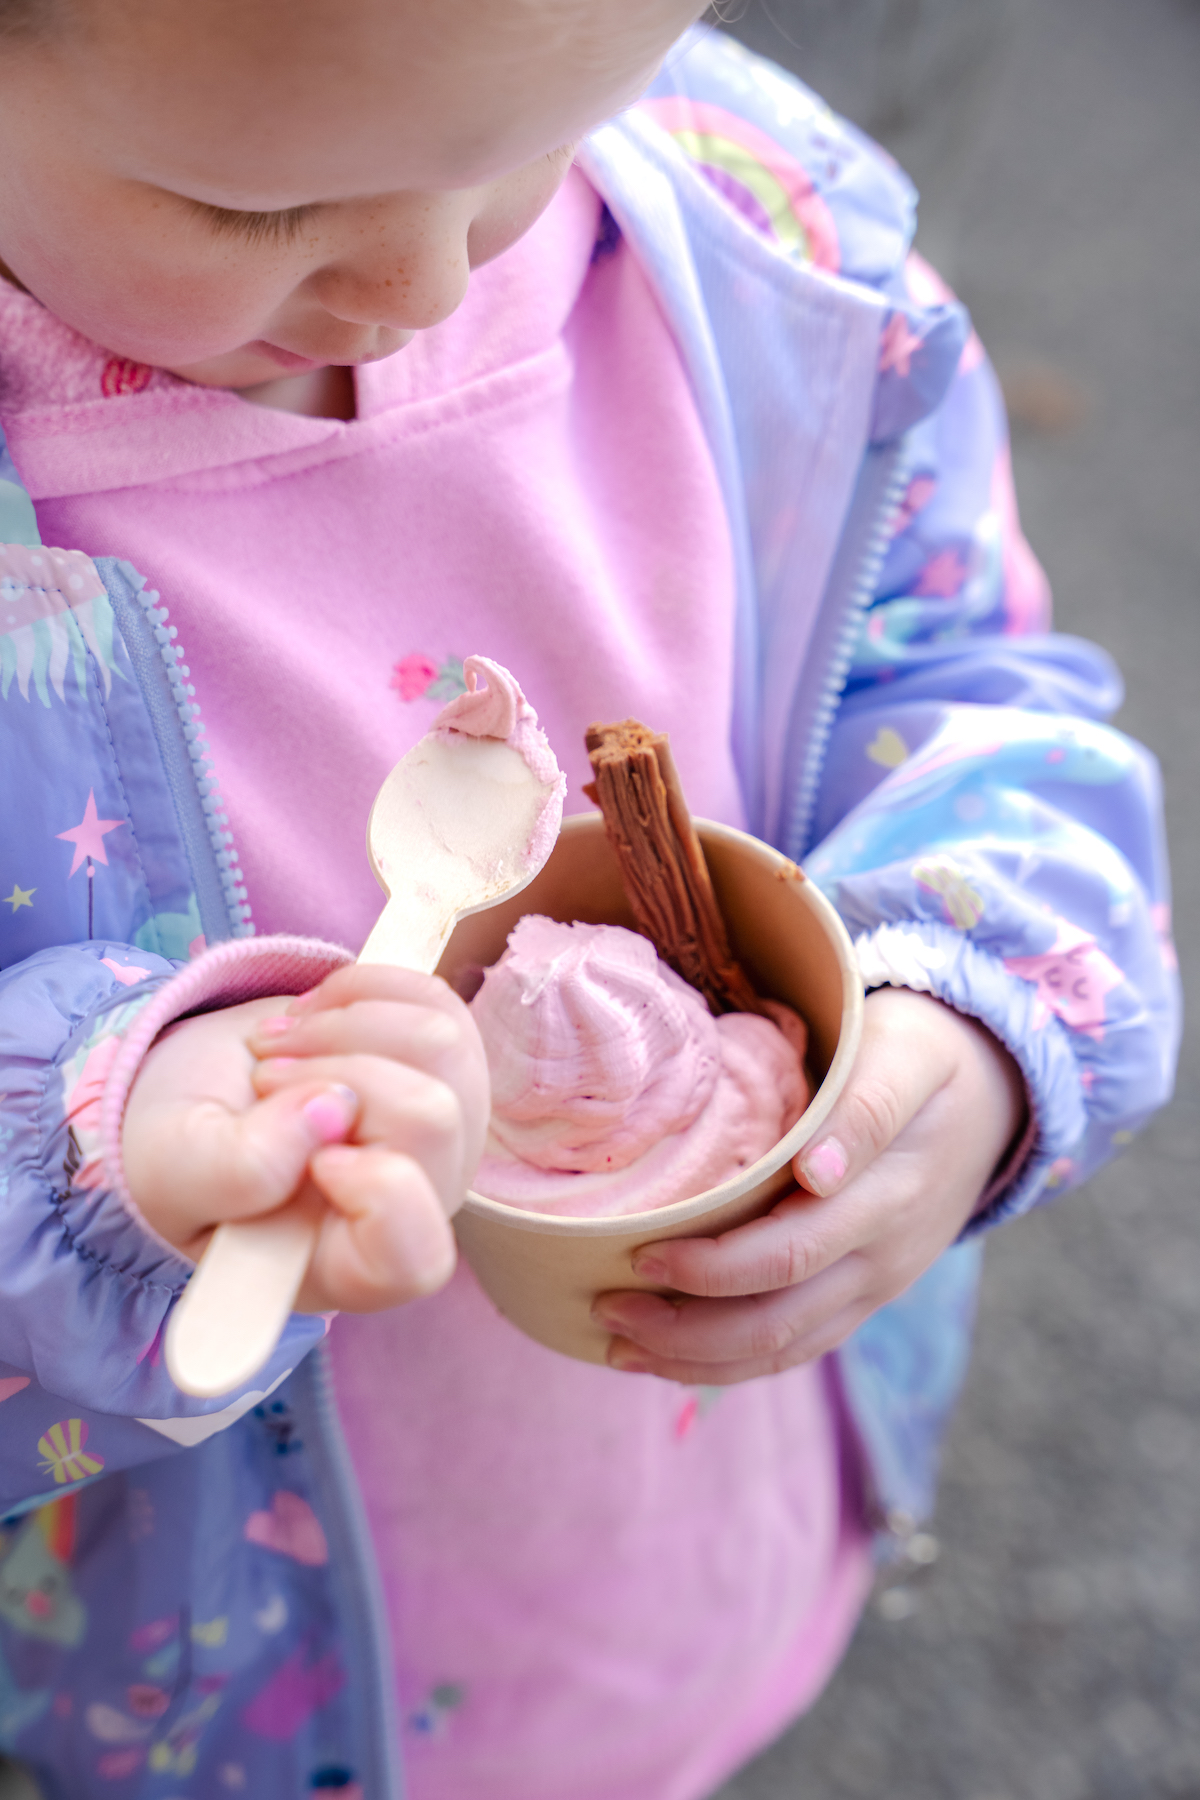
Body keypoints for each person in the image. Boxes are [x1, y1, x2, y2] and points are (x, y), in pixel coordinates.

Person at [0, 1, 1178, 1796]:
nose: (412, 280)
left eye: (508, 162)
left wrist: (984, 1011)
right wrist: (103, 1170)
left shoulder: (762, 244)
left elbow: (974, 688)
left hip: (694, 1539)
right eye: (252, 213)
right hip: (200, 1709)